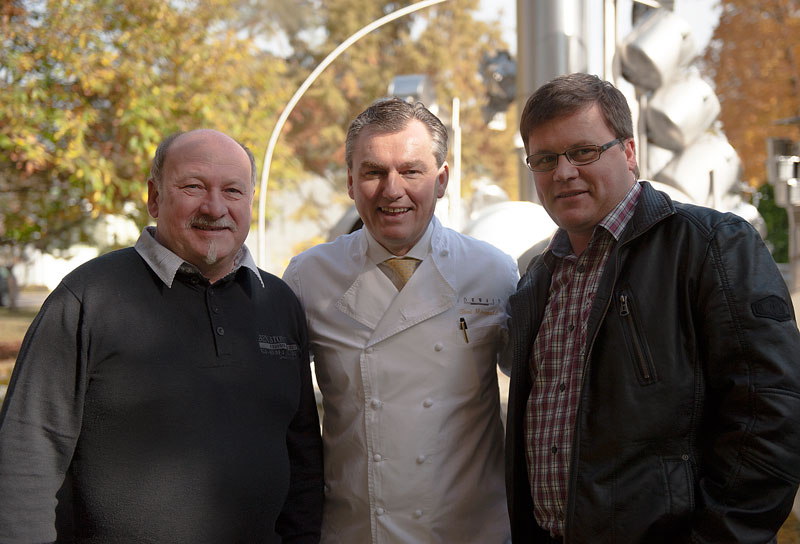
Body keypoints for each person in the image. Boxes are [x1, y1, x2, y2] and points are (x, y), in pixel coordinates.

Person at [505, 71, 800, 543]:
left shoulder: (712, 246)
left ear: (628, 152)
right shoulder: (538, 278)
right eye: (544, 159)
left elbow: (773, 418)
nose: (563, 172)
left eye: (583, 151)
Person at [0, 129, 323, 543]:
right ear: (154, 197)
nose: (215, 207)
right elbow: (27, 454)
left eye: (233, 191)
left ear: (249, 202)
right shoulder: (87, 298)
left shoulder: (279, 303)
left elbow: (303, 459)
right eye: (193, 187)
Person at [283, 98, 517, 543]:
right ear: (350, 182)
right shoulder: (308, 276)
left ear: (441, 180)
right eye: (373, 172)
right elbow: (281, 413)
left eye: (411, 171)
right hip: (357, 531)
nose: (392, 190)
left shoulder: (493, 271)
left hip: (471, 531)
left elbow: (536, 395)